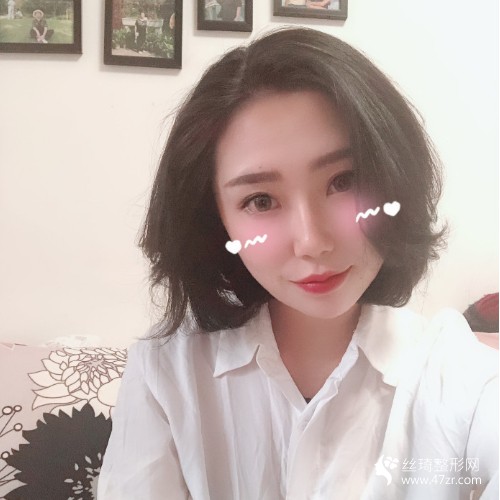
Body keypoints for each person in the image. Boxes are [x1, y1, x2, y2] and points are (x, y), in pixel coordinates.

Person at [98, 28, 498, 499]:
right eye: (261, 200)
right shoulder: (168, 375)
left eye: (344, 181)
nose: (312, 242)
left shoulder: (454, 373)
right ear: (215, 218)